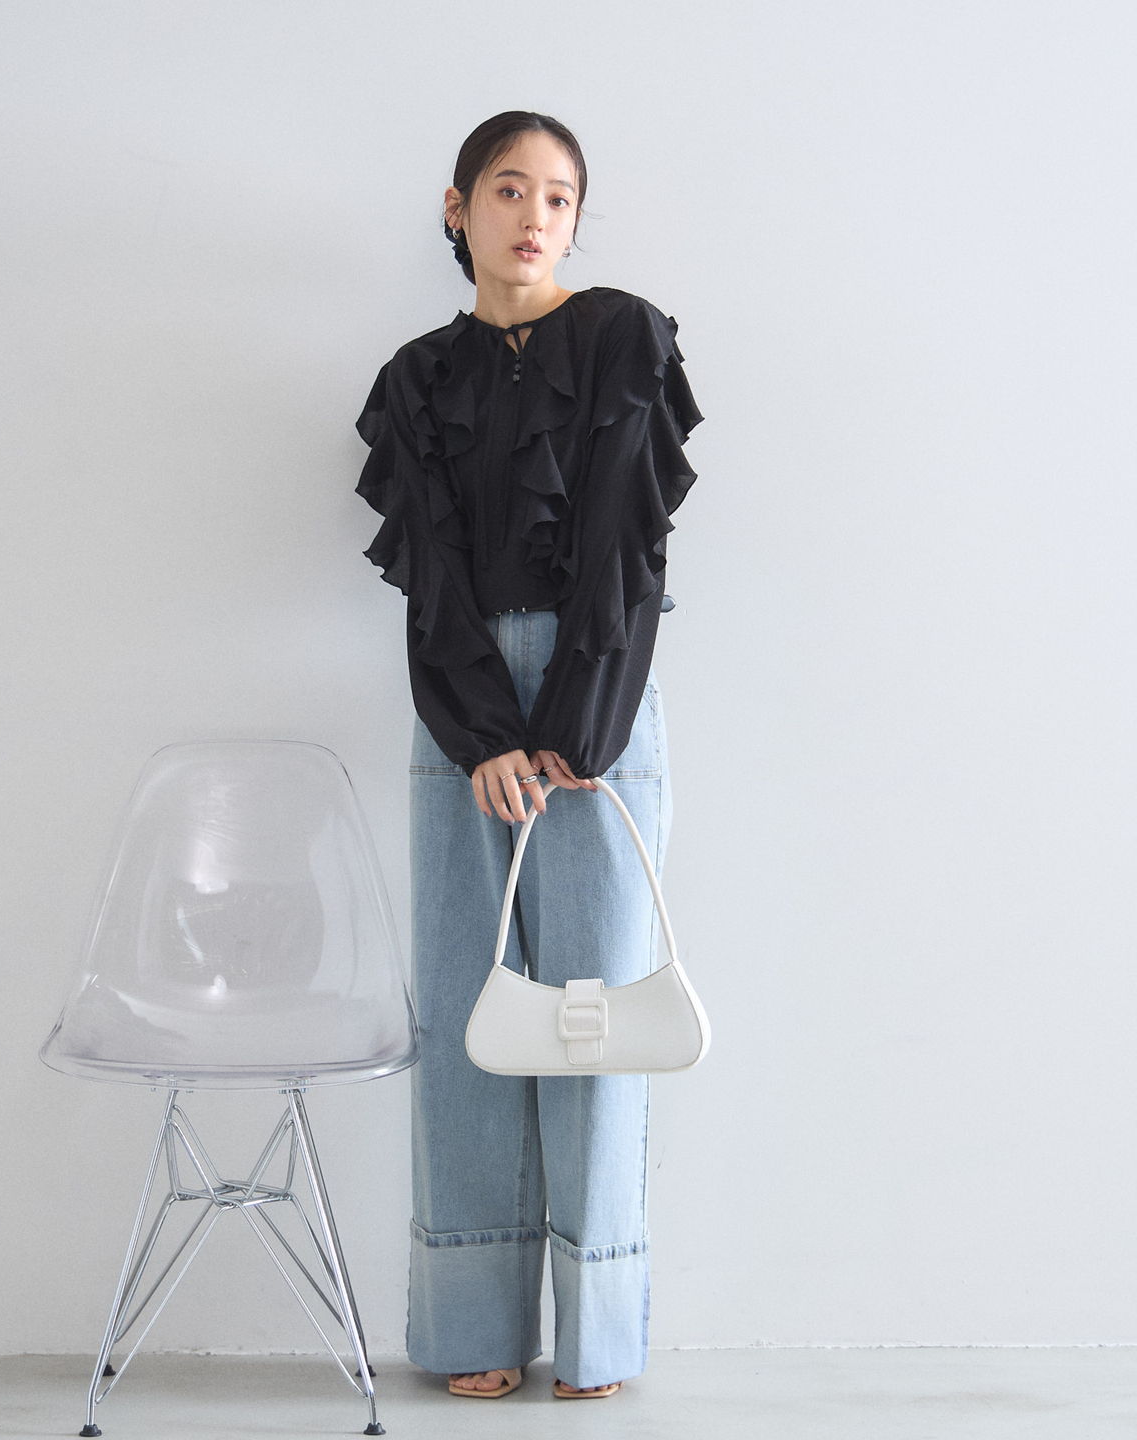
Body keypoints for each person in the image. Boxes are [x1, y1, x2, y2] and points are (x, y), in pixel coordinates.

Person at [355, 110, 701, 1401]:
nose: (535, 215)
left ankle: (597, 1330)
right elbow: (430, 577)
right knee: (467, 1010)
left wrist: (566, 732)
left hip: (597, 700)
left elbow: (627, 553)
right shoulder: (415, 379)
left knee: (593, 1014)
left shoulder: (622, 338)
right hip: (461, 711)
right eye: (509, 190)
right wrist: (483, 737)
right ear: (459, 209)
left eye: (559, 196)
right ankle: (472, 1325)